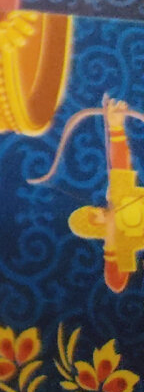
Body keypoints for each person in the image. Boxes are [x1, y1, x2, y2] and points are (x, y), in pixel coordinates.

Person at [67, 97, 144, 293]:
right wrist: (111, 239)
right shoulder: (119, 244)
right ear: (93, 228)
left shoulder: (118, 197)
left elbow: (120, 163)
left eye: (94, 211)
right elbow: (116, 284)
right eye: (93, 218)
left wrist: (115, 127)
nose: (99, 212)